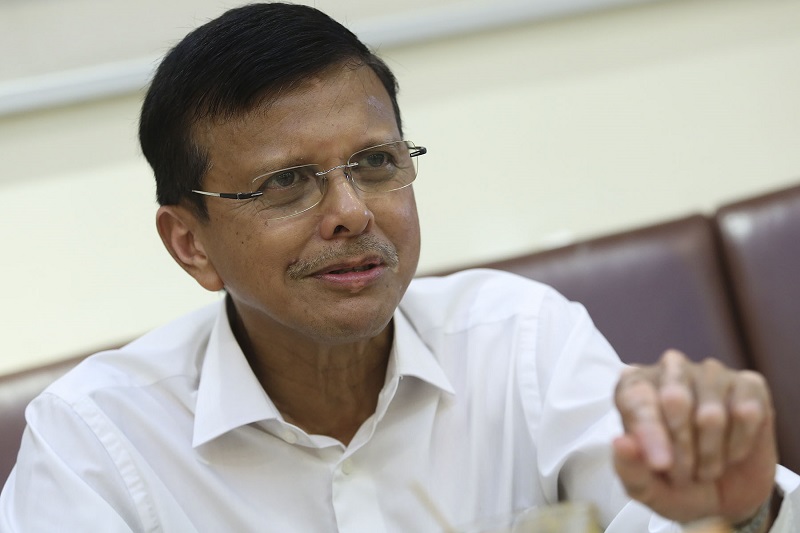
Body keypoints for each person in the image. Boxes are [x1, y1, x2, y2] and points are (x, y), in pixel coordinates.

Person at [1, 3, 798, 532]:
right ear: (191, 243)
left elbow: (673, 514)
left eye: (376, 162)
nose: (352, 211)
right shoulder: (98, 439)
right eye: (286, 182)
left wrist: (743, 512)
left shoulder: (518, 339)